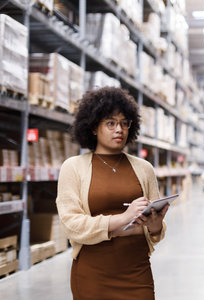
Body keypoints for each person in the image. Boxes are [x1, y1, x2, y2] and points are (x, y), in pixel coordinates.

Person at [56, 87, 169, 300]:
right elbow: (71, 225)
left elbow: (156, 232)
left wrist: (155, 224)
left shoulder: (144, 169)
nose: (119, 129)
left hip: (137, 272)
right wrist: (123, 219)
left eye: (124, 123)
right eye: (110, 123)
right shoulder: (73, 167)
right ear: (92, 127)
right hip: (93, 273)